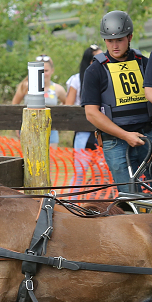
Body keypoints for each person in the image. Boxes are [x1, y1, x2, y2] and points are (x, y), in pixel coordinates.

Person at [81, 10, 152, 194]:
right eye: (109, 40)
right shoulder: (95, 70)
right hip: (115, 142)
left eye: (120, 40)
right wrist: (125, 135)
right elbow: (91, 113)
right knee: (129, 198)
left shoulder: (144, 64)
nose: (114, 45)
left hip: (148, 136)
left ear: (130, 37)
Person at [66, 44, 104, 193]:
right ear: (89, 61)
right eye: (97, 57)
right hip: (83, 131)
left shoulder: (106, 76)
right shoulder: (76, 80)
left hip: (103, 129)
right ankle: (71, 202)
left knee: (102, 172)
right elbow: (68, 108)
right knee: (80, 171)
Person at [12, 55, 67, 144]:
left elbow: (67, 103)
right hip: (29, 127)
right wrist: (17, 125)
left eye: (46, 71)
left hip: (51, 129)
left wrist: (58, 115)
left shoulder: (58, 89)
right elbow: (15, 104)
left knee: (52, 156)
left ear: (52, 71)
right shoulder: (26, 86)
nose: (44, 74)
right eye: (41, 71)